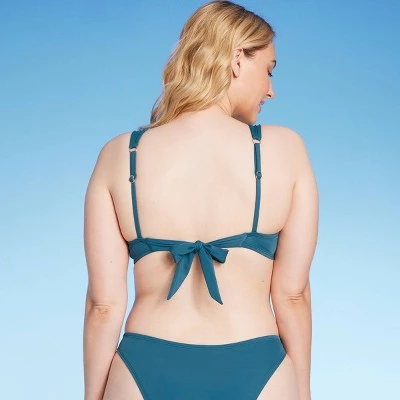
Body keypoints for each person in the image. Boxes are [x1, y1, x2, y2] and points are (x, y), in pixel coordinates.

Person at [83, 1, 318, 399]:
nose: (271, 90)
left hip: (144, 365)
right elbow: (292, 296)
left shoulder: (122, 154)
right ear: (237, 59)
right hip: (256, 363)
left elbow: (103, 306)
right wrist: (302, 391)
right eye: (269, 70)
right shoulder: (284, 149)